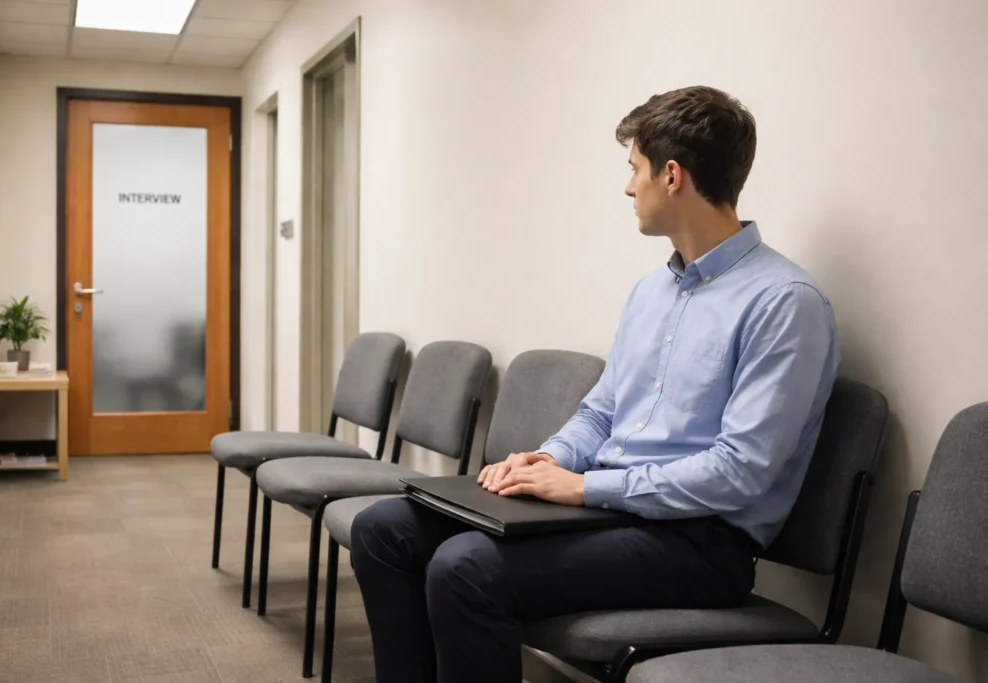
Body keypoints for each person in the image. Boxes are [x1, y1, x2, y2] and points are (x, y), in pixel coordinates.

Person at [350, 85, 840, 683]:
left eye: (635, 169)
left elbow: (740, 472)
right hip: (610, 514)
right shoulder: (651, 293)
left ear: (672, 176)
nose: (628, 186)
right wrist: (543, 459)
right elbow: (601, 413)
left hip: (700, 544)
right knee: (383, 528)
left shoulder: (785, 303)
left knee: (465, 568)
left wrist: (584, 488)